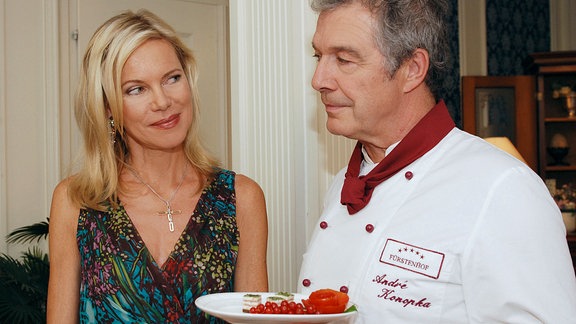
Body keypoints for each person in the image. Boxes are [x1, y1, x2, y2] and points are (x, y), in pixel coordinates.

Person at [298, 0, 576, 323]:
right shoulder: (342, 186)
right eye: (319, 56)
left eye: (344, 59)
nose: (318, 79)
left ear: (413, 69)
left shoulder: (502, 188)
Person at [47, 9, 268, 323]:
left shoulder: (240, 198)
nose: (163, 101)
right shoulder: (76, 201)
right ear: (108, 106)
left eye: (172, 79)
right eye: (136, 89)